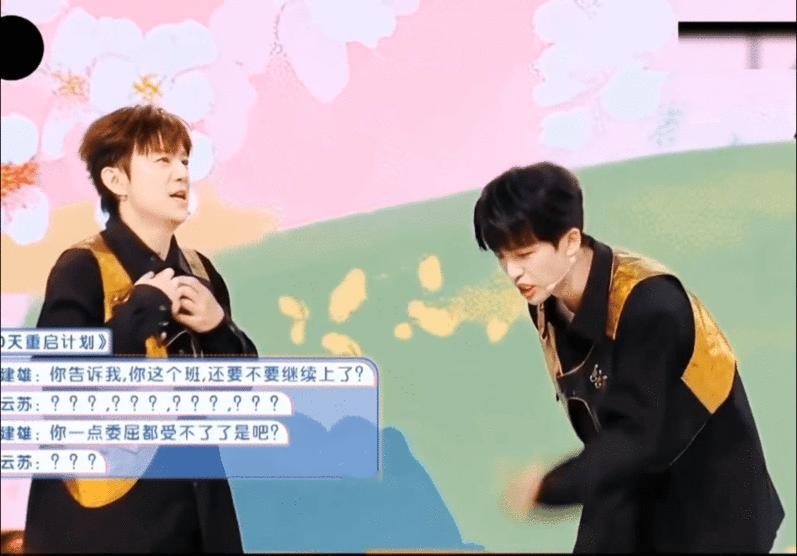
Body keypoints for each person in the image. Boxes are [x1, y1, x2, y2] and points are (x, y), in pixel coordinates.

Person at [473, 162, 785, 552]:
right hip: (632, 483)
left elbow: (637, 438)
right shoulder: (544, 296)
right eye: (502, 257)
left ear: (570, 241)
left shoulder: (652, 306)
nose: (513, 272)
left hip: (711, 502)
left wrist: (548, 486)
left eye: (525, 253)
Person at [24, 105, 257, 553]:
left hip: (199, 518)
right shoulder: (83, 268)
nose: (181, 174)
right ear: (116, 180)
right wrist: (139, 312)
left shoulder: (200, 272)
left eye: (184, 160)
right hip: (106, 524)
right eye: (162, 160)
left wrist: (218, 329)